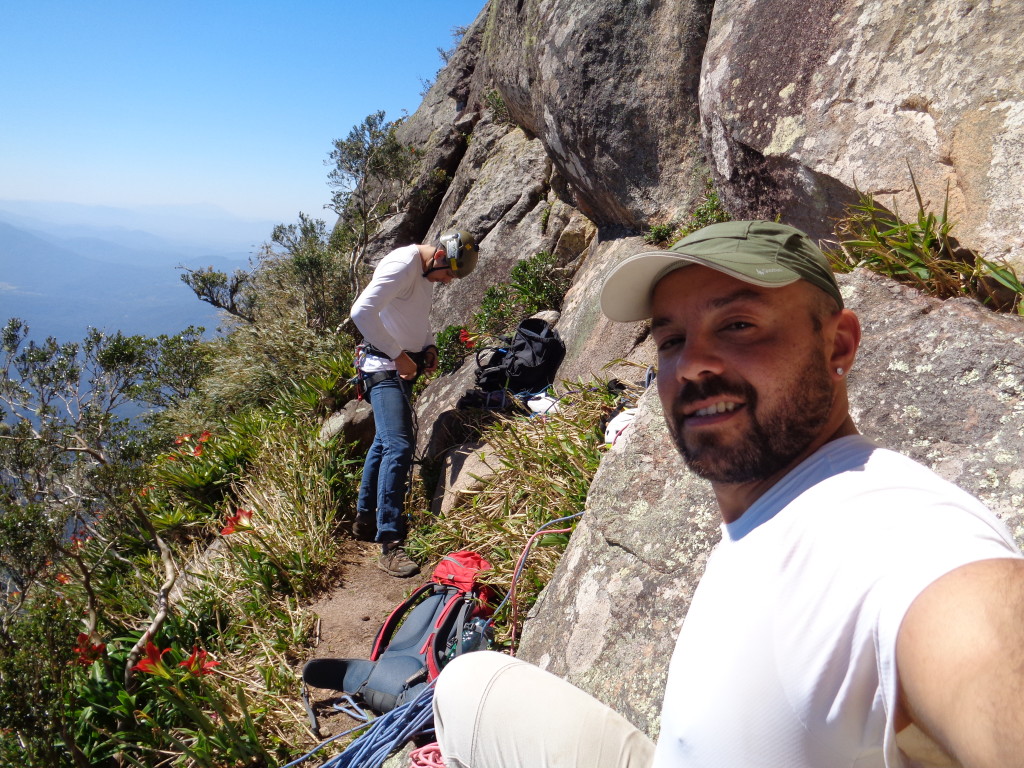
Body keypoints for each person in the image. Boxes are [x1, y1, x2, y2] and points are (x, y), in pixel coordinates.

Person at [432, 220, 1024, 767]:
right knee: (467, 686)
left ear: (838, 345)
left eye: (738, 325)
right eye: (671, 341)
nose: (691, 366)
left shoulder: (892, 528)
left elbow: (981, 650)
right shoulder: (771, 505)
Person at [350, 229, 479, 578]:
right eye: (449, 273)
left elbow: (414, 318)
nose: (449, 282)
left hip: (399, 367)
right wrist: (399, 356)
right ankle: (390, 542)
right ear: (439, 256)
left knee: (384, 442)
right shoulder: (402, 264)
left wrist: (429, 345)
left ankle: (365, 518)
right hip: (382, 368)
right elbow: (361, 312)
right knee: (400, 445)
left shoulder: (423, 272)